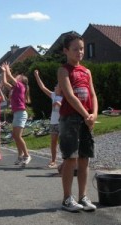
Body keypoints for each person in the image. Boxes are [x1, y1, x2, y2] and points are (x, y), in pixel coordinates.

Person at [57, 33, 98, 212]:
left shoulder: (87, 71)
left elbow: (93, 94)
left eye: (82, 48)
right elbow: (69, 95)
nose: (80, 52)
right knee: (70, 159)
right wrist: (85, 114)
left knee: (84, 159)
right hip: (70, 119)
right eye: (75, 49)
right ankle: (67, 198)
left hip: (86, 119)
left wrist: (94, 114)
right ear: (66, 51)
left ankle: (83, 196)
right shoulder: (63, 70)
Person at [1, 62, 32, 166]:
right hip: (16, 113)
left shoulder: (20, 86)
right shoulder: (14, 88)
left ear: (21, 81)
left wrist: (7, 69)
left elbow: (10, 76)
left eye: (18, 77)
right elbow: (5, 82)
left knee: (18, 136)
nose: (16, 76)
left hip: (21, 113)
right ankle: (20, 156)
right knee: (15, 136)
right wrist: (3, 72)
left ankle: (27, 155)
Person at [34, 70, 62, 168]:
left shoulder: (66, 97)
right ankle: (53, 161)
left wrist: (59, 104)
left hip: (62, 122)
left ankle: (66, 161)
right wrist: (37, 75)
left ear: (61, 88)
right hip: (53, 122)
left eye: (57, 86)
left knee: (64, 142)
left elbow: (69, 108)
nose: (55, 87)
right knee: (53, 142)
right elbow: (43, 87)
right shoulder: (53, 95)